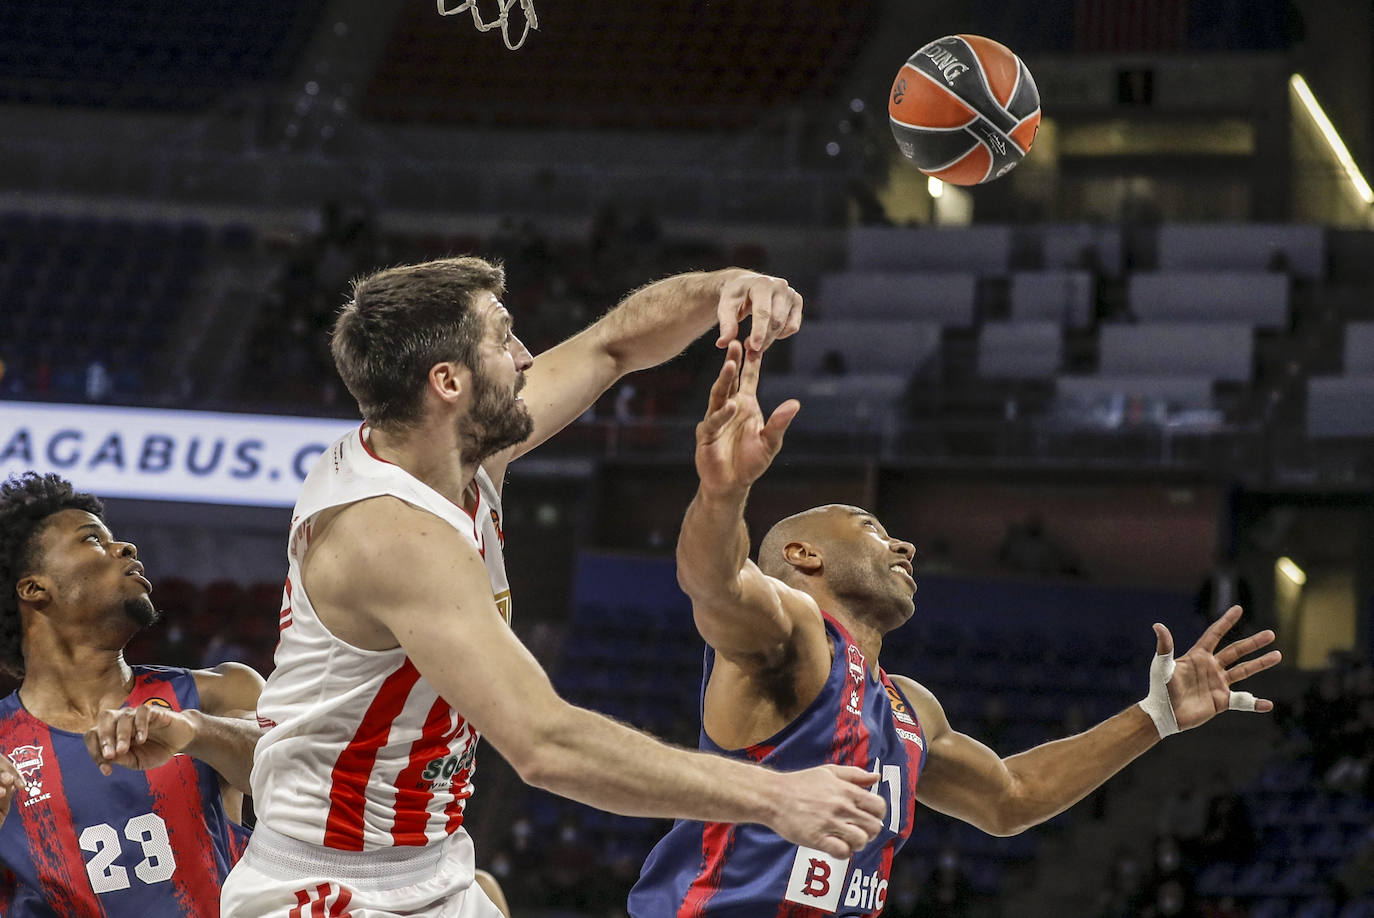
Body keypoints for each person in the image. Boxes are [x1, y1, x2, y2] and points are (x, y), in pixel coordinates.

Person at [221, 257, 887, 917]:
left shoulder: (449, 445)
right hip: (329, 885)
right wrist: (777, 798)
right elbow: (546, 745)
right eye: (503, 336)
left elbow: (613, 344)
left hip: (425, 857)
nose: (526, 356)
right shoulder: (393, 535)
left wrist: (725, 287)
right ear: (448, 381)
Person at [628, 341, 1283, 916]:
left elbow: (1010, 799)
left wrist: (1156, 716)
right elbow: (713, 583)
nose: (904, 545)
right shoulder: (793, 635)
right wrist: (721, 494)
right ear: (804, 555)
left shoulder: (909, 707)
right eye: (872, 529)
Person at [0, 471, 265, 916]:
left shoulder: (219, 692)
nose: (125, 548)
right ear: (34, 588)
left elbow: (316, 775)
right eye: (92, 540)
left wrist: (196, 733)